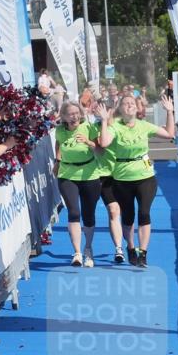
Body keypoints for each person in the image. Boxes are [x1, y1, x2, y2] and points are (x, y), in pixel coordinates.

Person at [97, 93, 175, 268]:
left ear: (138, 108)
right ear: (120, 109)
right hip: (122, 178)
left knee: (144, 213)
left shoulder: (144, 125)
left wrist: (170, 112)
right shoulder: (115, 126)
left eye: (132, 103)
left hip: (145, 176)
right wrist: (104, 121)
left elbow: (169, 134)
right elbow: (103, 143)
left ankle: (143, 253)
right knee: (129, 217)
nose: (129, 105)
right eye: (125, 103)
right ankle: (131, 247)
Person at [53, 101, 103, 267]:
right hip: (67, 174)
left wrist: (89, 143)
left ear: (81, 114)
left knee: (88, 215)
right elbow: (59, 144)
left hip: (90, 174)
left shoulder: (89, 128)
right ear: (64, 117)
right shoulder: (60, 131)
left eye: (76, 113)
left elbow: (101, 150)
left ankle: (88, 249)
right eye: (70, 114)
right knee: (74, 212)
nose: (74, 116)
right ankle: (77, 253)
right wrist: (57, 161)